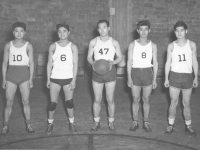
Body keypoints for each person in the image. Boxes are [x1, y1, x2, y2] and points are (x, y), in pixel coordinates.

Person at [164, 21, 198, 136]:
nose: (179, 33)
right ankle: (170, 125)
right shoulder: (171, 46)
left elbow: (194, 61)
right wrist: (166, 78)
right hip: (174, 75)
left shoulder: (192, 44)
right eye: (177, 30)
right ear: (174, 32)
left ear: (186, 31)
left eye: (181, 30)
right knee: (173, 102)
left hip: (188, 76)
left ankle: (188, 126)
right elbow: (168, 62)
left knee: (186, 103)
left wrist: (196, 77)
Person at [87, 20, 122, 132]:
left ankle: (111, 122)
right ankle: (96, 122)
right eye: (100, 28)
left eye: (104, 27)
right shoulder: (93, 42)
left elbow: (120, 57)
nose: (102, 30)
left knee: (110, 99)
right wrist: (92, 63)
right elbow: (88, 57)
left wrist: (113, 62)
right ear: (97, 29)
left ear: (109, 28)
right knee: (97, 99)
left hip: (110, 72)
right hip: (97, 72)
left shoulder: (114, 42)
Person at [1, 22, 35, 134]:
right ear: (13, 32)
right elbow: (5, 63)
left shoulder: (28, 45)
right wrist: (4, 79)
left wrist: (30, 79)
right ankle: (5, 125)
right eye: (16, 31)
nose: (19, 33)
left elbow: (31, 63)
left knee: (26, 101)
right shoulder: (8, 45)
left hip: (24, 74)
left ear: (25, 32)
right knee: (9, 102)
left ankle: (29, 124)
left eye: (21, 31)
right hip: (11, 75)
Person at [45, 22, 78, 135]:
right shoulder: (53, 46)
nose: (62, 33)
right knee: (52, 103)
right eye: (59, 31)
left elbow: (75, 64)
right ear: (57, 33)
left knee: (69, 102)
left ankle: (72, 123)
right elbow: (49, 63)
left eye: (64, 31)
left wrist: (74, 80)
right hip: (55, 78)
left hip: (68, 78)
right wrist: (48, 79)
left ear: (68, 32)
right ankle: (50, 124)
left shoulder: (73, 46)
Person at [127, 20, 158, 133]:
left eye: (146, 29)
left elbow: (155, 62)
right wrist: (129, 77)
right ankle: (135, 121)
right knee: (135, 99)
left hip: (147, 73)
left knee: (146, 99)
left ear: (149, 30)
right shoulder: (132, 44)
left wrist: (154, 78)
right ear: (137, 31)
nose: (143, 32)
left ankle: (146, 122)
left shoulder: (153, 45)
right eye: (141, 29)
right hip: (135, 73)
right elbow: (129, 61)